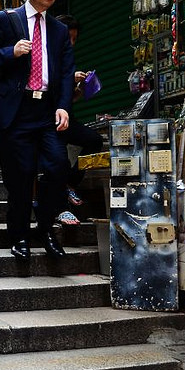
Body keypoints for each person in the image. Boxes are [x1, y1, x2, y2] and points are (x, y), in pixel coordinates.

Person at [0, 0, 75, 261]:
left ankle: (44, 229)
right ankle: (18, 235)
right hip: (16, 112)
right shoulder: (7, 21)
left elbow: (67, 72)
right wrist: (10, 52)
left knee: (58, 168)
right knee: (20, 177)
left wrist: (63, 107)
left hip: (46, 112)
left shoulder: (58, 30)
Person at [54, 14, 104, 226]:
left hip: (67, 118)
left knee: (94, 140)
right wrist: (67, 78)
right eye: (69, 38)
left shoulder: (67, 58)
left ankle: (71, 184)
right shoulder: (46, 55)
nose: (72, 43)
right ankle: (61, 209)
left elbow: (67, 97)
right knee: (58, 161)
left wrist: (77, 90)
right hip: (48, 121)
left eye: (75, 39)